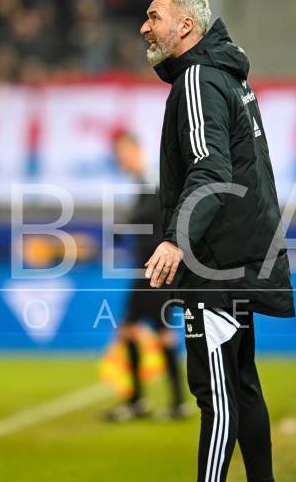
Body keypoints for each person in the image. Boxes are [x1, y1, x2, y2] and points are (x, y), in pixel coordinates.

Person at [140, 0, 294, 482]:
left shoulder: (197, 77)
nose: (145, 27)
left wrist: (176, 238)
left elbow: (210, 169)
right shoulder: (226, 74)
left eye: (155, 16)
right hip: (239, 255)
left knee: (217, 395)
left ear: (186, 26)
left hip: (216, 262)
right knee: (242, 387)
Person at [104, 130, 187, 422]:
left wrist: (122, 224)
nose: (120, 158)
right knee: (160, 332)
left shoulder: (152, 179)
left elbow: (153, 215)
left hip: (153, 268)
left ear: (136, 150)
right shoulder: (143, 181)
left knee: (133, 329)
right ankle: (175, 403)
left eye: (123, 152)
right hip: (152, 267)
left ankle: (140, 401)